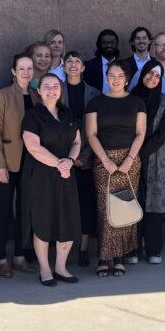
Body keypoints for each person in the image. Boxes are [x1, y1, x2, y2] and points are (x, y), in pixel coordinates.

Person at [85, 61, 147, 276]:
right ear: (106, 77)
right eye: (111, 75)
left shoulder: (137, 102)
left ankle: (120, 257)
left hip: (130, 160)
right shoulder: (96, 103)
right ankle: (104, 257)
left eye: (120, 75)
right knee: (105, 208)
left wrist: (130, 158)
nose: (116, 79)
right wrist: (105, 160)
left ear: (127, 79)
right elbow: (91, 134)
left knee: (124, 207)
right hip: (104, 160)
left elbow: (140, 133)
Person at [20, 73, 81, 286]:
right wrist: (59, 164)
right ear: (39, 91)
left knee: (67, 219)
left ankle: (61, 268)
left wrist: (69, 162)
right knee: (43, 221)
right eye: (46, 86)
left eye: (55, 86)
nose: (51, 90)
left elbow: (77, 142)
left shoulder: (68, 113)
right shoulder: (32, 116)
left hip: (66, 174)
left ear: (60, 90)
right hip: (41, 174)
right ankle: (45, 269)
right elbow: (33, 147)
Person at [0, 54, 39, 278]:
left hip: (32, 163)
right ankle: (1, 259)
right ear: (13, 71)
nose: (26, 72)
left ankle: (19, 256)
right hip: (8, 162)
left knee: (25, 211)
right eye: (21, 68)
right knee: (3, 211)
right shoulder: (2, 95)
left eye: (30, 68)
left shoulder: (37, 95)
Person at [131, 60, 165, 265]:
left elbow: (164, 131)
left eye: (158, 76)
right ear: (143, 74)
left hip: (155, 157)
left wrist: (143, 152)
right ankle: (132, 248)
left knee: (154, 204)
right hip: (130, 156)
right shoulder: (130, 98)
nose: (153, 78)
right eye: (150, 73)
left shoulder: (164, 101)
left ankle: (154, 249)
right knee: (133, 202)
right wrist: (134, 154)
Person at [61, 50, 100, 266]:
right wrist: (65, 157)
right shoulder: (56, 90)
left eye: (77, 61)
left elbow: (96, 130)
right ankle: (65, 248)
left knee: (85, 203)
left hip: (85, 158)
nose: (73, 64)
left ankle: (83, 247)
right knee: (64, 205)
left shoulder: (94, 93)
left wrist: (82, 156)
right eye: (69, 61)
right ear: (64, 67)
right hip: (60, 158)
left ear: (83, 68)